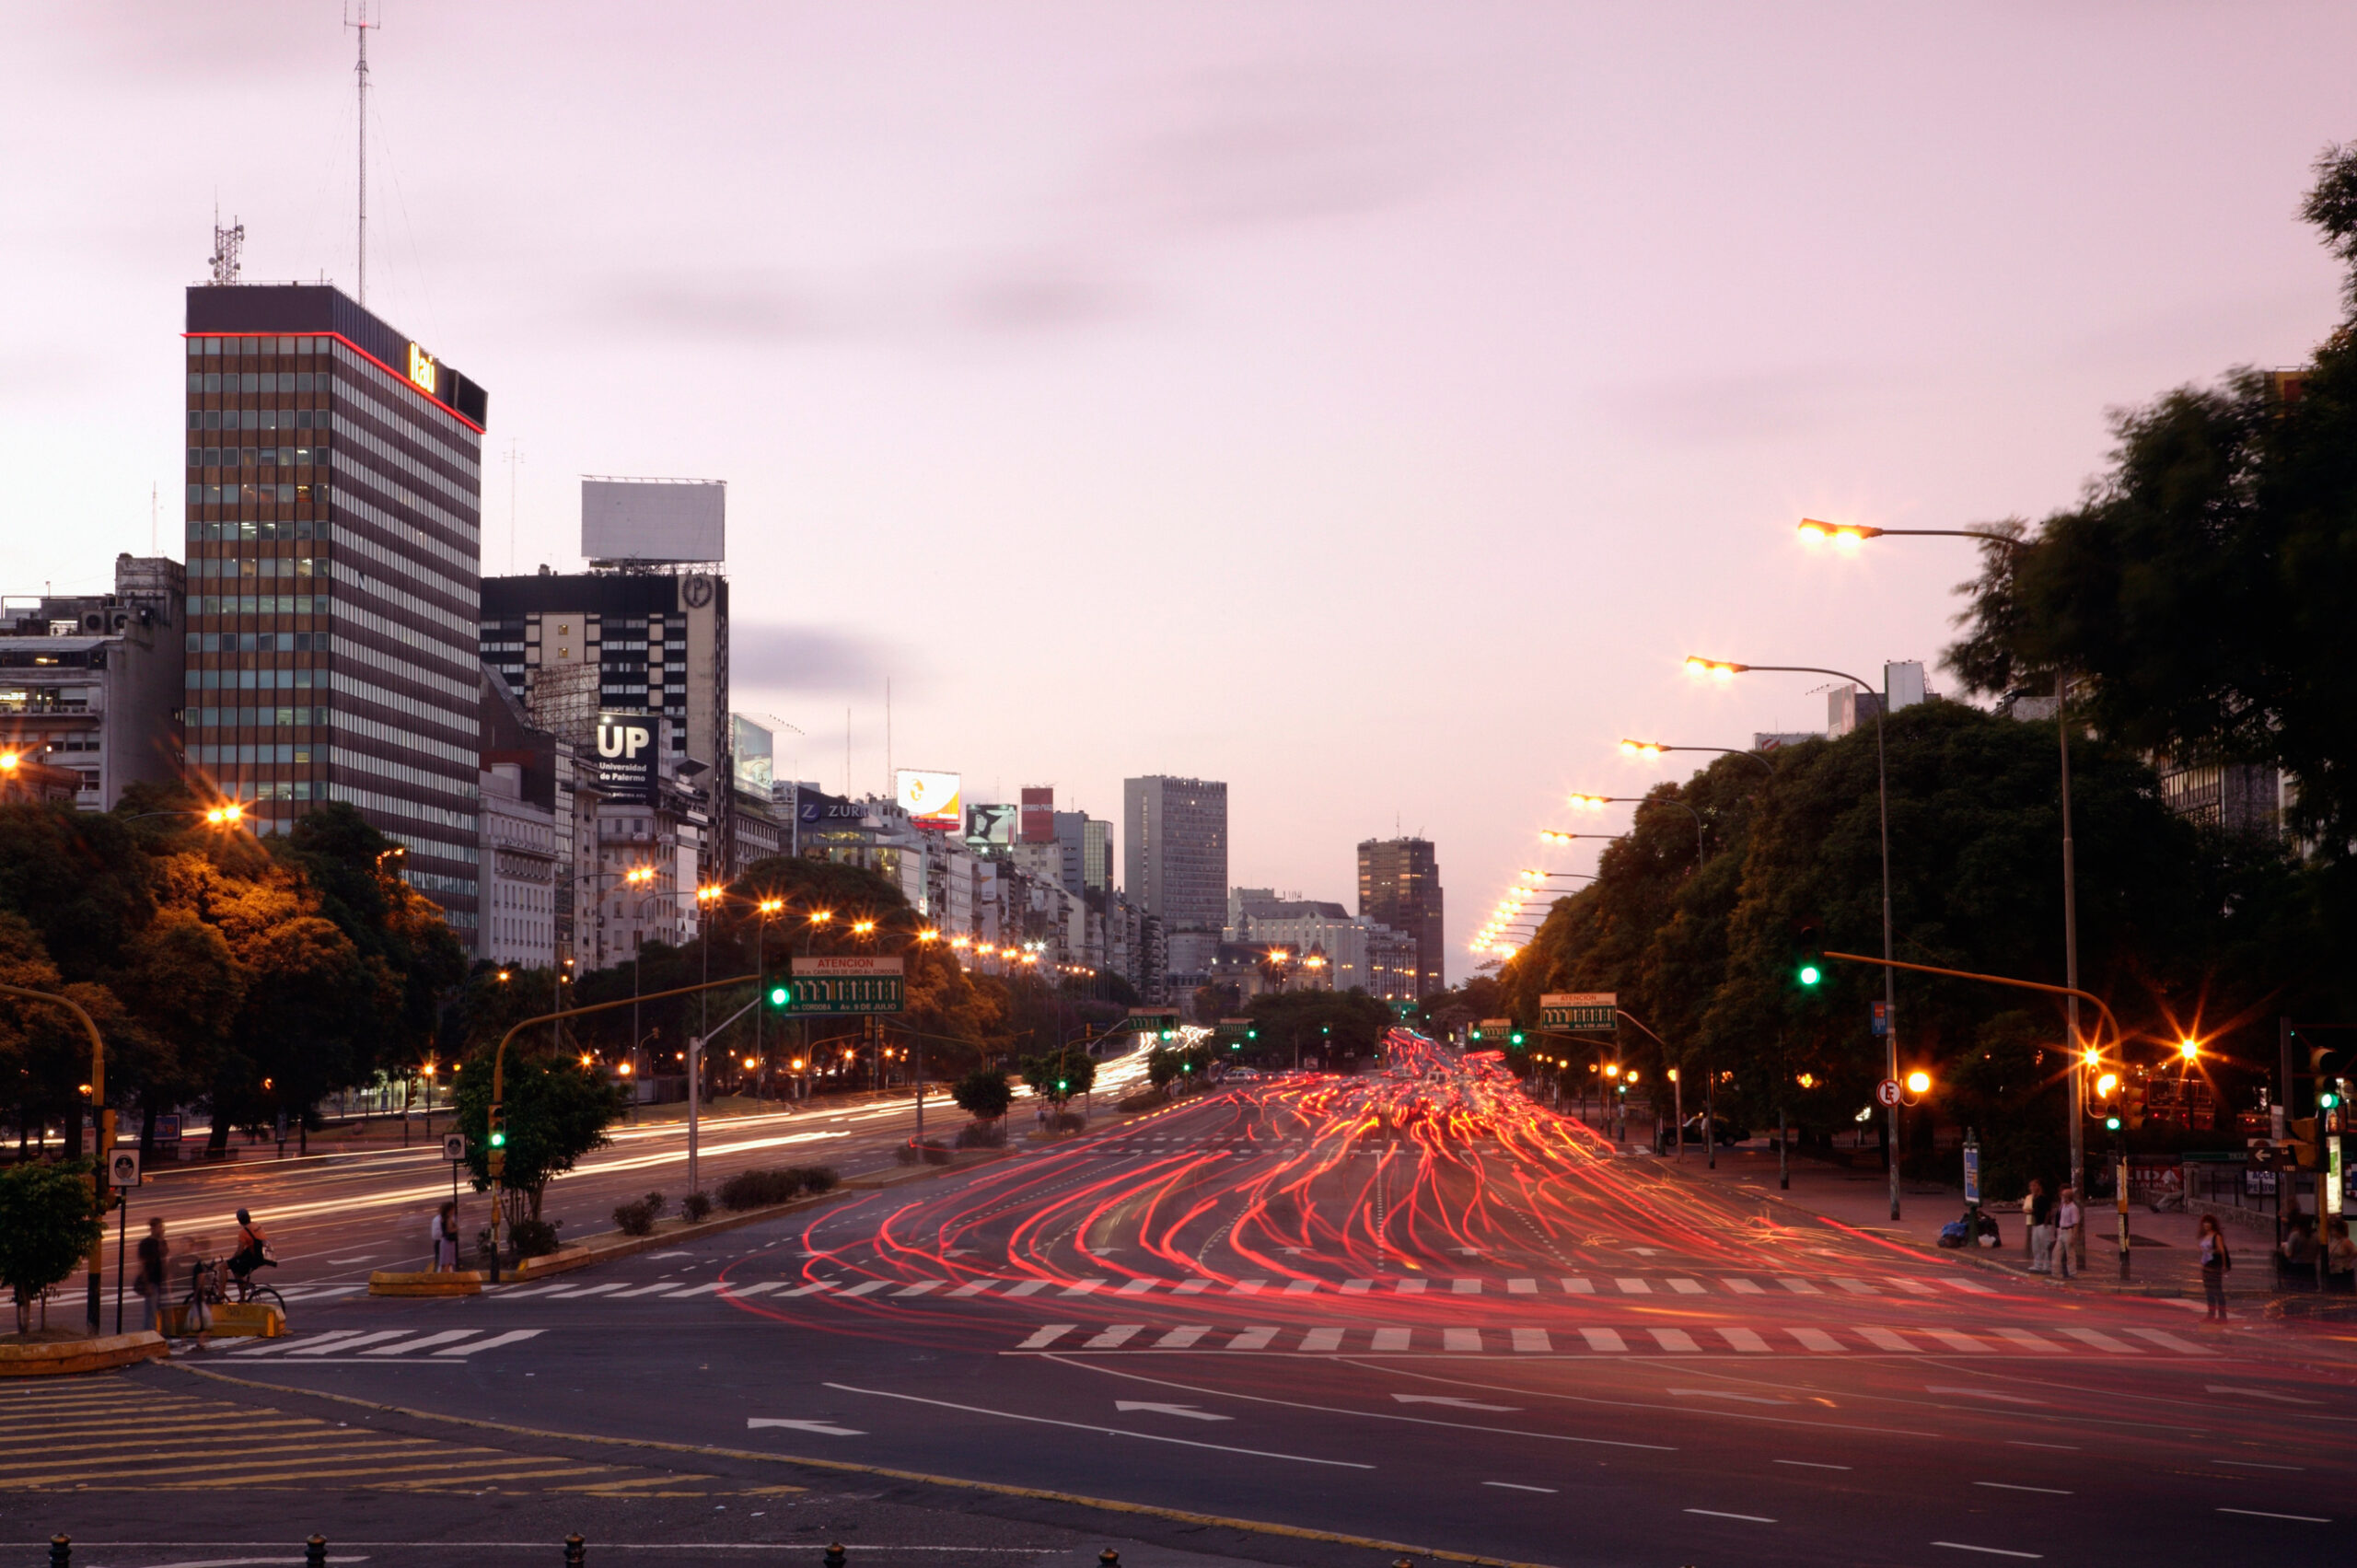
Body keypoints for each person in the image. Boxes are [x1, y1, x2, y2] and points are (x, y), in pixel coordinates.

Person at [134, 1216, 168, 1333]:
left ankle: (160, 1334)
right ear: (153, 1228)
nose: (162, 1230)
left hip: (161, 1281)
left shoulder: (161, 1242)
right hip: (151, 1281)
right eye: (160, 1227)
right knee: (151, 1312)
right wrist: (146, 1283)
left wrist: (161, 1241)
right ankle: (149, 1334)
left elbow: (164, 1257)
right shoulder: (146, 1243)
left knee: (161, 1311)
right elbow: (142, 1264)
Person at [2196, 1214, 2232, 1321]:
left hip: (2215, 1266)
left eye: (2208, 1223)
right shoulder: (2205, 1236)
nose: (2206, 1225)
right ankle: (2211, 1314)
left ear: (2212, 1224)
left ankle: (2222, 1316)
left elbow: (2222, 1251)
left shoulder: (2217, 1236)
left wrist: (2224, 1265)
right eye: (2205, 1223)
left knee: (2217, 1291)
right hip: (2206, 1266)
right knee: (2208, 1291)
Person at [228, 1207, 272, 1286]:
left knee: (235, 1270)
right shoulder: (257, 1224)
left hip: (255, 1257)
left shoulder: (243, 1232)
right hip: (266, 1255)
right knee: (238, 1265)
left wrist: (231, 1260)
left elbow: (239, 1252)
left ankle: (241, 1298)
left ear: (239, 1220)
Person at [2026, 1179, 2056, 1274]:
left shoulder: (2044, 1198)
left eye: (2034, 1186)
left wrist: (2045, 1223)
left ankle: (2047, 1266)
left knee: (2045, 1246)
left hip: (2043, 1224)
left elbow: (2048, 1211)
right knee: (2036, 1245)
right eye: (2031, 1186)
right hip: (2036, 1224)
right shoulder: (2034, 1198)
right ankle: (2037, 1264)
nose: (2032, 1188)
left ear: (2039, 1186)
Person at [2054, 1186, 2081, 1281]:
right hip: (2061, 1231)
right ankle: (2056, 1273)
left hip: (2068, 1231)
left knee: (2070, 1253)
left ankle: (2072, 1273)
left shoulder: (2073, 1208)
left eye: (2063, 1196)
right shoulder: (2063, 1205)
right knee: (2057, 1252)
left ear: (2068, 1197)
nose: (2062, 1197)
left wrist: (2074, 1236)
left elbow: (2076, 1223)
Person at [2325, 1217, 2355, 1295]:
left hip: (2343, 1271)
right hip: (2334, 1270)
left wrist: (2347, 1261)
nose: (2332, 1232)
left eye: (2333, 1230)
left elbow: (2355, 1252)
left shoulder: (2346, 1242)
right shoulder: (2332, 1241)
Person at [434, 1202, 460, 1272]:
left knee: (444, 1262)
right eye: (453, 1209)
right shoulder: (449, 1218)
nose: (454, 1210)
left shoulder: (442, 1218)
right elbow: (449, 1230)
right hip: (448, 1243)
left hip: (444, 1241)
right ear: (450, 1210)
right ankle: (445, 1277)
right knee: (447, 1262)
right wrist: (456, 1228)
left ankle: (443, 1277)